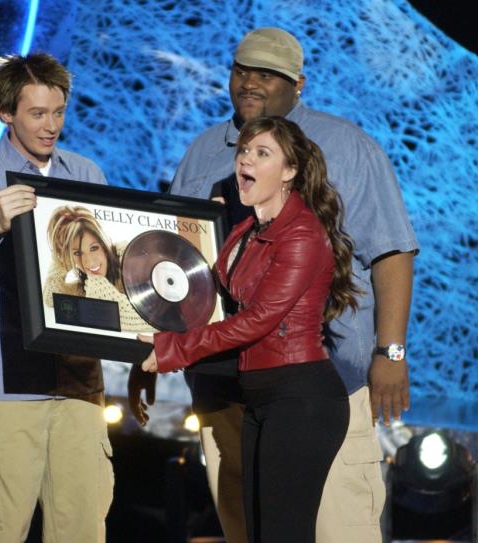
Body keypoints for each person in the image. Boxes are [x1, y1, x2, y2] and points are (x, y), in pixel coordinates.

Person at [130, 27, 418, 543]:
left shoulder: (345, 151)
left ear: (298, 84)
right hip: (223, 386)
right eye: (242, 71)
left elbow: (391, 251)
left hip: (313, 382)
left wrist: (390, 352)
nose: (251, 83)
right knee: (249, 528)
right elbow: (170, 264)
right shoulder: (204, 154)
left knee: (337, 529)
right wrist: (151, 348)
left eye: (268, 74)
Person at [140, 115, 357, 542]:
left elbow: (258, 320)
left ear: (290, 171)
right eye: (243, 151)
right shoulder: (246, 229)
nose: (246, 160)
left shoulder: (302, 234)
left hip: (301, 398)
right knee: (257, 533)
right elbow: (208, 293)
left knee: (282, 535)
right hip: (260, 398)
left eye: (262, 153)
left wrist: (175, 349)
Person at [0, 53, 113, 543]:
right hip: (7, 383)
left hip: (78, 381)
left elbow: (109, 273)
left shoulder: (86, 173)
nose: (51, 125)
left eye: (58, 112)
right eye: (37, 113)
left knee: (81, 529)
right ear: (6, 113)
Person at [43, 205, 154, 332]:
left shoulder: (127, 256)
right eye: (78, 253)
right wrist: (61, 256)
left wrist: (102, 291)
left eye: (94, 248)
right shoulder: (87, 283)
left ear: (103, 243)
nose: (89, 262)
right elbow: (51, 297)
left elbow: (152, 318)